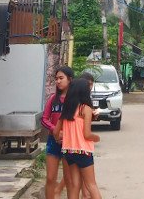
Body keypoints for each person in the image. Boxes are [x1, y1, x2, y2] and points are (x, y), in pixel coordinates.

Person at [54, 78, 103, 199]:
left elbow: (56, 131)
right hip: (83, 151)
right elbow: (87, 135)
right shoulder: (85, 108)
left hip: (68, 152)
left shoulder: (67, 108)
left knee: (75, 185)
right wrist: (97, 138)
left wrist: (59, 139)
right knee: (91, 185)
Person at [41, 66, 74, 199]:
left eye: (61, 78)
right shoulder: (53, 99)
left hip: (69, 142)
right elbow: (44, 119)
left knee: (69, 179)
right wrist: (54, 130)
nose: (58, 81)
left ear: (70, 80)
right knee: (50, 178)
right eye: (56, 79)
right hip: (53, 142)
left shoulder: (74, 101)